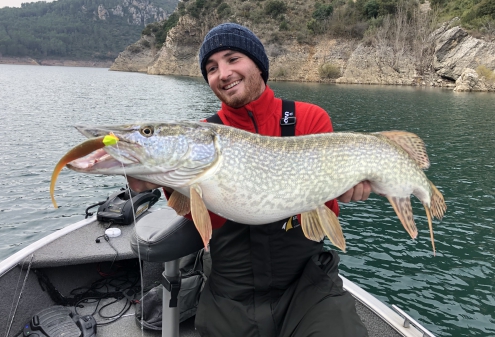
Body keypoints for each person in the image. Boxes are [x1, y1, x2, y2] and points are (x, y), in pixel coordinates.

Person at [128, 23, 371, 337]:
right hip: (231, 291)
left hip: (307, 286)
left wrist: (342, 189)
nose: (223, 73)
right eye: (212, 68)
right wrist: (159, 178)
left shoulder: (309, 118)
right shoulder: (200, 133)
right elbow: (195, 212)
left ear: (258, 64)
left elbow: (326, 213)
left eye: (232, 59)